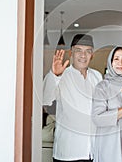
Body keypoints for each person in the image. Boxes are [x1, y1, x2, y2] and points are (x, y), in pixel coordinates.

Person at [43, 34, 102, 162]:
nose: (83, 55)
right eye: (78, 50)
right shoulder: (62, 75)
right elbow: (45, 99)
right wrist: (54, 75)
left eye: (88, 51)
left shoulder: (97, 76)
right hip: (69, 151)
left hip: (93, 151)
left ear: (92, 55)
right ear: (71, 53)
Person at [92, 46, 122, 162]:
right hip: (109, 144)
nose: (120, 63)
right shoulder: (102, 87)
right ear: (111, 62)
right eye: (116, 59)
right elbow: (97, 118)